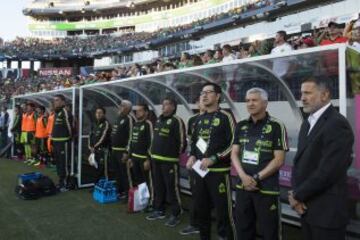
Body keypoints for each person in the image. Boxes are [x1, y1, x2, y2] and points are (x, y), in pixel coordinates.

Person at [288, 77, 354, 240]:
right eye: (301, 93)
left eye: (308, 93)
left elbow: (328, 171)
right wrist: (296, 194)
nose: (302, 98)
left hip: (327, 213)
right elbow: (301, 163)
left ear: (324, 95)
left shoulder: (337, 124)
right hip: (306, 208)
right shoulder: (307, 123)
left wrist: (297, 195)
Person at [231, 88, 288, 240]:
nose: (250, 103)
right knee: (243, 228)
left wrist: (255, 178)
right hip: (243, 186)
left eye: (254, 100)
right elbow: (234, 153)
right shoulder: (241, 125)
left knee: (270, 231)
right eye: (248, 100)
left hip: (267, 189)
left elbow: (279, 159)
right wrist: (243, 177)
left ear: (265, 103)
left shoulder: (277, 126)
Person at [189, 82, 236, 240]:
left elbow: (234, 145)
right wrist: (192, 156)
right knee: (201, 210)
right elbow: (194, 143)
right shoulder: (198, 119)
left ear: (218, 96)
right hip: (199, 172)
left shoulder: (226, 116)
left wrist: (215, 158)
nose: (204, 95)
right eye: (202, 92)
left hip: (219, 173)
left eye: (208, 92)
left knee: (223, 212)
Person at [146, 97, 186, 228]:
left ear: (173, 107)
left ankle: (176, 213)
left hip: (169, 161)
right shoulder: (158, 120)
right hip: (155, 160)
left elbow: (182, 142)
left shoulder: (176, 121)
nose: (163, 107)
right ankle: (159, 210)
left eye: (167, 104)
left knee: (172, 188)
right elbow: (154, 139)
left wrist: (173, 154)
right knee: (158, 187)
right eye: (163, 104)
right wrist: (151, 154)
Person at [179, 100, 205, 236]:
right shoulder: (193, 120)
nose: (203, 102)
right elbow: (191, 140)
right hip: (196, 163)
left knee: (213, 197)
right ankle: (194, 224)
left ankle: (223, 231)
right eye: (200, 100)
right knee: (196, 193)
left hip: (214, 163)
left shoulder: (219, 117)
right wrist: (192, 155)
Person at [128, 103, 154, 209]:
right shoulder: (135, 124)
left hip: (144, 159)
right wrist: (130, 156)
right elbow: (131, 141)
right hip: (134, 158)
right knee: (139, 181)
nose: (137, 112)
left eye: (140, 110)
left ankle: (152, 202)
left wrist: (148, 158)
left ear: (146, 112)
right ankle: (143, 202)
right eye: (136, 110)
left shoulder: (148, 124)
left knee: (148, 182)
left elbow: (152, 142)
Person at [110, 100, 134, 200]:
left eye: (123, 106)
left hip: (122, 151)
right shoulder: (119, 118)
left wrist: (126, 152)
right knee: (117, 173)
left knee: (125, 174)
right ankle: (120, 191)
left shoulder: (129, 119)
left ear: (128, 108)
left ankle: (128, 193)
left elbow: (131, 136)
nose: (120, 107)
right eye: (120, 105)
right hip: (114, 150)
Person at [51, 95, 73, 192]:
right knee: (59, 163)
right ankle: (61, 182)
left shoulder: (65, 112)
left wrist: (68, 138)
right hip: (56, 142)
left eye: (57, 100)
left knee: (64, 163)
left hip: (63, 142)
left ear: (63, 102)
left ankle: (66, 184)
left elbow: (69, 127)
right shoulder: (57, 113)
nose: (55, 102)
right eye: (54, 101)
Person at [88, 107, 112, 184]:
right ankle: (96, 185)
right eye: (97, 113)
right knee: (95, 168)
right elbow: (90, 135)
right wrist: (90, 146)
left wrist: (95, 147)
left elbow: (103, 137)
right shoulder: (94, 124)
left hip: (103, 150)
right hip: (94, 150)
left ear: (104, 114)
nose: (98, 114)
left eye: (100, 113)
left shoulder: (106, 124)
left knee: (104, 169)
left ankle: (106, 186)